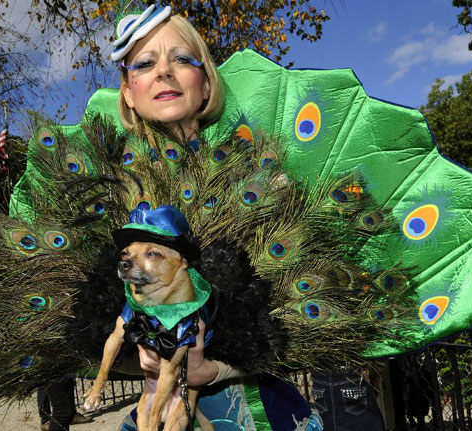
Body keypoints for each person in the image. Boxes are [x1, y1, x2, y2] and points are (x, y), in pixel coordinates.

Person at [104, 4, 323, 430]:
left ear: (205, 84)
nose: (164, 71)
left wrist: (216, 370)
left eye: (183, 59)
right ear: (129, 92)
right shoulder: (108, 200)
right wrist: (138, 357)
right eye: (145, 63)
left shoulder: (259, 178)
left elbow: (298, 331)